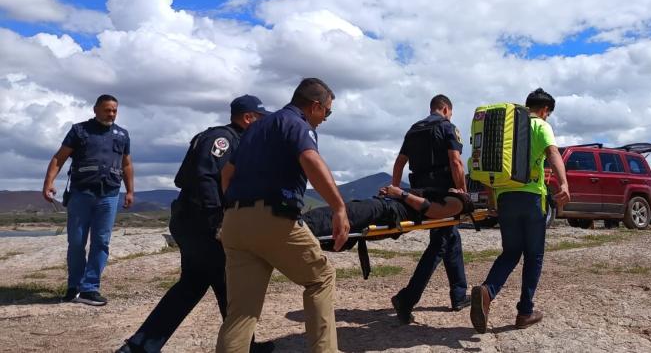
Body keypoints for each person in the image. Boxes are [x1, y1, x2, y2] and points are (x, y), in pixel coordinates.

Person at [117, 95, 274, 353]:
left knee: (197, 286)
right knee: (226, 285)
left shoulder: (230, 138)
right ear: (248, 118)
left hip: (193, 220)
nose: (261, 124)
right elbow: (205, 179)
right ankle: (244, 346)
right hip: (202, 223)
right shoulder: (223, 140)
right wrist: (217, 223)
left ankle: (139, 348)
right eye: (259, 118)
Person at [215, 78, 350, 353]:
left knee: (241, 312)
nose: (325, 118)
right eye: (327, 112)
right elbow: (311, 160)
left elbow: (226, 174)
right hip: (273, 218)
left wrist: (240, 209)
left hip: (235, 223)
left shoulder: (255, 129)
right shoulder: (297, 124)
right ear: (315, 106)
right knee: (321, 277)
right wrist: (339, 207)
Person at [469, 88, 570, 333]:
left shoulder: (507, 130)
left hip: (505, 198)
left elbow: (491, 167)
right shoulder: (540, 126)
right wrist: (564, 183)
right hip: (532, 198)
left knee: (511, 252)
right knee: (533, 255)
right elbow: (553, 152)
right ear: (545, 110)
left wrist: (493, 199)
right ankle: (525, 312)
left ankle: (487, 291)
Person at [42, 94, 134, 307]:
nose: (111, 114)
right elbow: (59, 158)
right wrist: (48, 183)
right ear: (95, 109)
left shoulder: (122, 135)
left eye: (114, 110)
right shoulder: (79, 131)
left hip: (109, 194)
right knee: (76, 242)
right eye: (107, 110)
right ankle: (74, 286)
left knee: (101, 241)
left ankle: (90, 288)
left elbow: (126, 164)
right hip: (81, 194)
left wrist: (129, 191)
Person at [389, 94, 470, 324]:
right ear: (445, 109)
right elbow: (455, 162)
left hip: (419, 195)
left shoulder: (414, 129)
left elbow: (399, 163)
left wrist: (396, 191)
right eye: (451, 113)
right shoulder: (448, 128)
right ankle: (406, 298)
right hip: (442, 196)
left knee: (450, 238)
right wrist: (462, 193)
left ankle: (458, 295)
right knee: (441, 244)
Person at [303, 186, 472, 243]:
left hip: (388, 211)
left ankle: (298, 227)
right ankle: (299, 226)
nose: (460, 189)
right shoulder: (451, 197)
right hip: (386, 206)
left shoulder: (457, 203)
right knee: (344, 213)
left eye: (463, 192)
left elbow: (431, 209)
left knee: (342, 215)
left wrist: (400, 193)